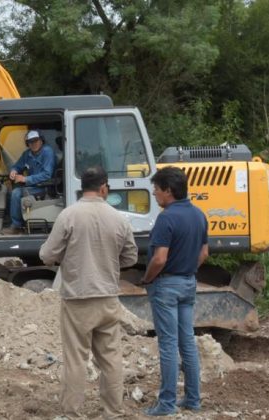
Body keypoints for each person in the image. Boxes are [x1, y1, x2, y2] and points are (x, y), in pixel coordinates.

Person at [40, 167, 138, 419]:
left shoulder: (68, 215)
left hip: (77, 299)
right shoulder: (119, 218)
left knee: (75, 359)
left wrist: (66, 255)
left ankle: (72, 412)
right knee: (111, 358)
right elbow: (130, 257)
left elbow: (47, 255)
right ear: (104, 186)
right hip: (107, 297)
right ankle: (113, 411)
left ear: (83, 186)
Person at [140, 166, 208, 416]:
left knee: (168, 345)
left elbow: (159, 258)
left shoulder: (167, 218)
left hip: (166, 285)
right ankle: (193, 399)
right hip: (188, 282)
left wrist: (147, 279)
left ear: (168, 191)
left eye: (156, 189)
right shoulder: (199, 215)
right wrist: (187, 269)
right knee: (187, 342)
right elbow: (204, 253)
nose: (155, 194)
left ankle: (166, 404)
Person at [2, 129, 57, 234]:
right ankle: (18, 222)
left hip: (45, 186)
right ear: (28, 144)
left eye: (36, 140)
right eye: (31, 142)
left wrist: (25, 179)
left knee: (16, 193)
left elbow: (47, 174)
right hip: (33, 186)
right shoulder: (27, 154)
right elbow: (17, 166)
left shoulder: (47, 152)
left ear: (41, 141)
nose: (34, 144)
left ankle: (16, 226)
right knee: (9, 193)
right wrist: (14, 171)